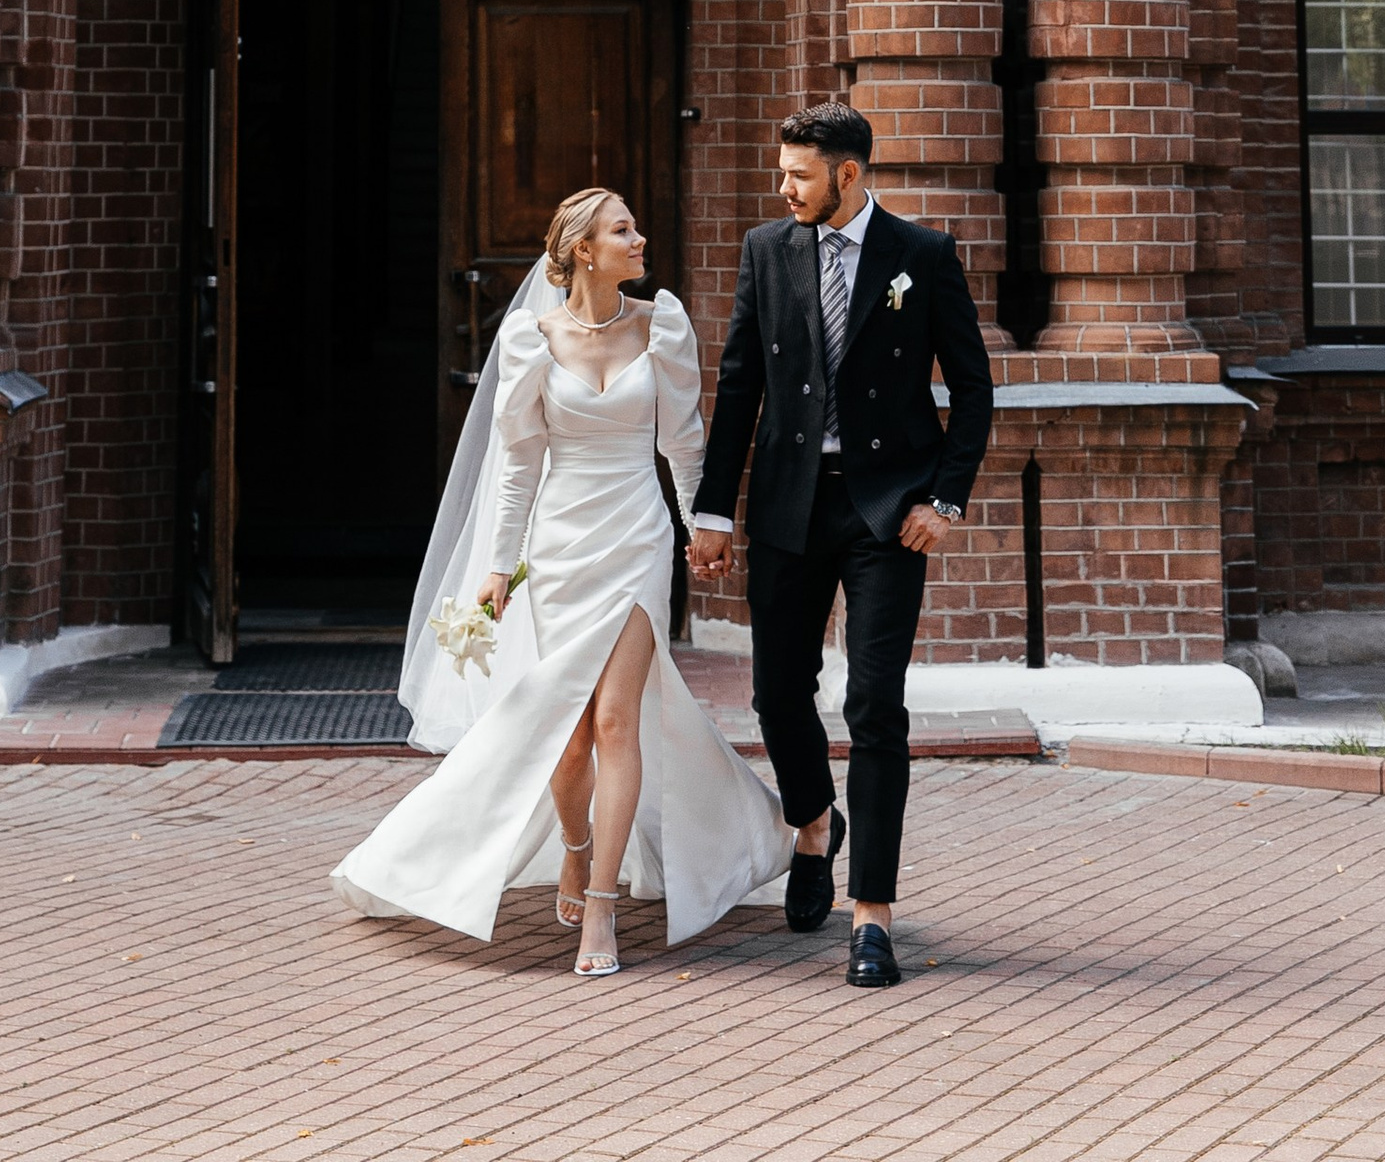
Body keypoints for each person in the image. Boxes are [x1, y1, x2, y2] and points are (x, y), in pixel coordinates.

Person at [333, 186, 789, 974]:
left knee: (617, 721)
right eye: (623, 230)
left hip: (637, 536)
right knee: (568, 732)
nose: (640, 239)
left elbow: (684, 444)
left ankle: (603, 907)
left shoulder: (661, 326)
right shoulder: (529, 340)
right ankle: (574, 847)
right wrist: (497, 568)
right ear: (583, 249)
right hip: (561, 540)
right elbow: (516, 468)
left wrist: (701, 526)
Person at [688, 98, 995, 989]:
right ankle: (815, 822)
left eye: (798, 174)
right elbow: (740, 386)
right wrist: (713, 514)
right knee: (777, 694)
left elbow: (972, 390)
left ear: (848, 175)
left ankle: (873, 917)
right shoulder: (766, 251)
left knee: (874, 707)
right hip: (787, 504)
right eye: (783, 172)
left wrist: (947, 499)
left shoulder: (922, 257)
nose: (783, 187)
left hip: (886, 511)